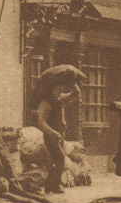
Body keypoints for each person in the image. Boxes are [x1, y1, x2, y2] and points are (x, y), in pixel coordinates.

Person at [29, 65, 85, 194]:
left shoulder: (59, 99)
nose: (63, 88)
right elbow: (41, 122)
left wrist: (74, 82)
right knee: (59, 159)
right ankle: (52, 185)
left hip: (60, 134)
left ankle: (53, 185)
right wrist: (52, 132)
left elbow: (75, 94)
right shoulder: (46, 102)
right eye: (61, 86)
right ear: (54, 87)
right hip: (51, 135)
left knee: (58, 159)